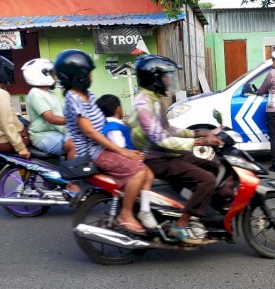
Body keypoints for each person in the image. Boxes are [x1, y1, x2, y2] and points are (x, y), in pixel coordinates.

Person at [54, 49, 157, 233]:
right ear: (78, 76)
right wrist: (122, 151)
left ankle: (144, 210)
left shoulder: (88, 95)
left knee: (147, 170)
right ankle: (126, 214)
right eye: (89, 72)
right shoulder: (73, 99)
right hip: (93, 153)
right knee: (139, 172)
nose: (92, 75)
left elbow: (102, 123)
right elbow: (91, 133)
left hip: (102, 148)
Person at [128, 55, 223, 245]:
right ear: (154, 78)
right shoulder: (143, 105)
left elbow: (168, 128)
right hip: (155, 159)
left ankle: (201, 205)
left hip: (166, 153)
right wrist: (197, 143)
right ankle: (180, 224)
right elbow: (160, 138)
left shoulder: (153, 100)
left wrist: (197, 133)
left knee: (214, 165)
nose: (169, 80)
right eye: (165, 76)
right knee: (207, 180)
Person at [96, 94, 158, 228]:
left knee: (149, 175)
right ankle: (143, 210)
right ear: (118, 109)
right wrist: (136, 156)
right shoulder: (114, 127)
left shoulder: (110, 124)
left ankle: (143, 208)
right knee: (147, 175)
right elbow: (120, 147)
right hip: (125, 157)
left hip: (127, 155)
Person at [20, 58, 76, 160]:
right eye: (53, 74)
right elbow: (51, 118)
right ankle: (73, 174)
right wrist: (76, 120)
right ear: (42, 75)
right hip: (42, 135)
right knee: (75, 146)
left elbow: (64, 112)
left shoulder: (50, 94)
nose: (56, 77)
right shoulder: (35, 93)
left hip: (56, 132)